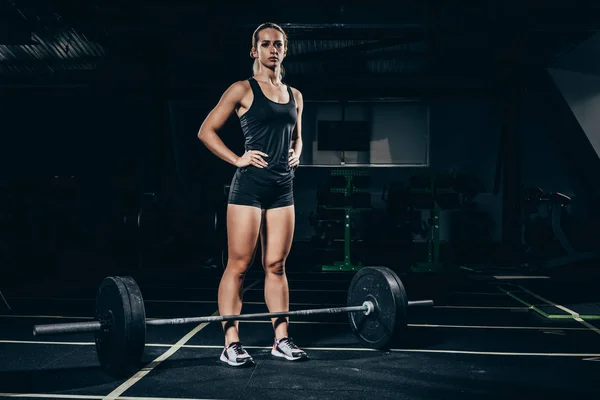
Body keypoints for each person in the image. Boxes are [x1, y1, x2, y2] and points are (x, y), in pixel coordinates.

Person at [197, 22, 308, 367]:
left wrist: (298, 151)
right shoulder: (242, 90)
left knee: (276, 265)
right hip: (249, 186)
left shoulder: (296, 96)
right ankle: (231, 343)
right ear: (254, 50)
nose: (273, 49)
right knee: (239, 265)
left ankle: (282, 339)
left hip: (283, 187)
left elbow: (297, 136)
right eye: (266, 44)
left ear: (285, 50)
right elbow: (206, 131)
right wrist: (238, 158)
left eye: (279, 44)